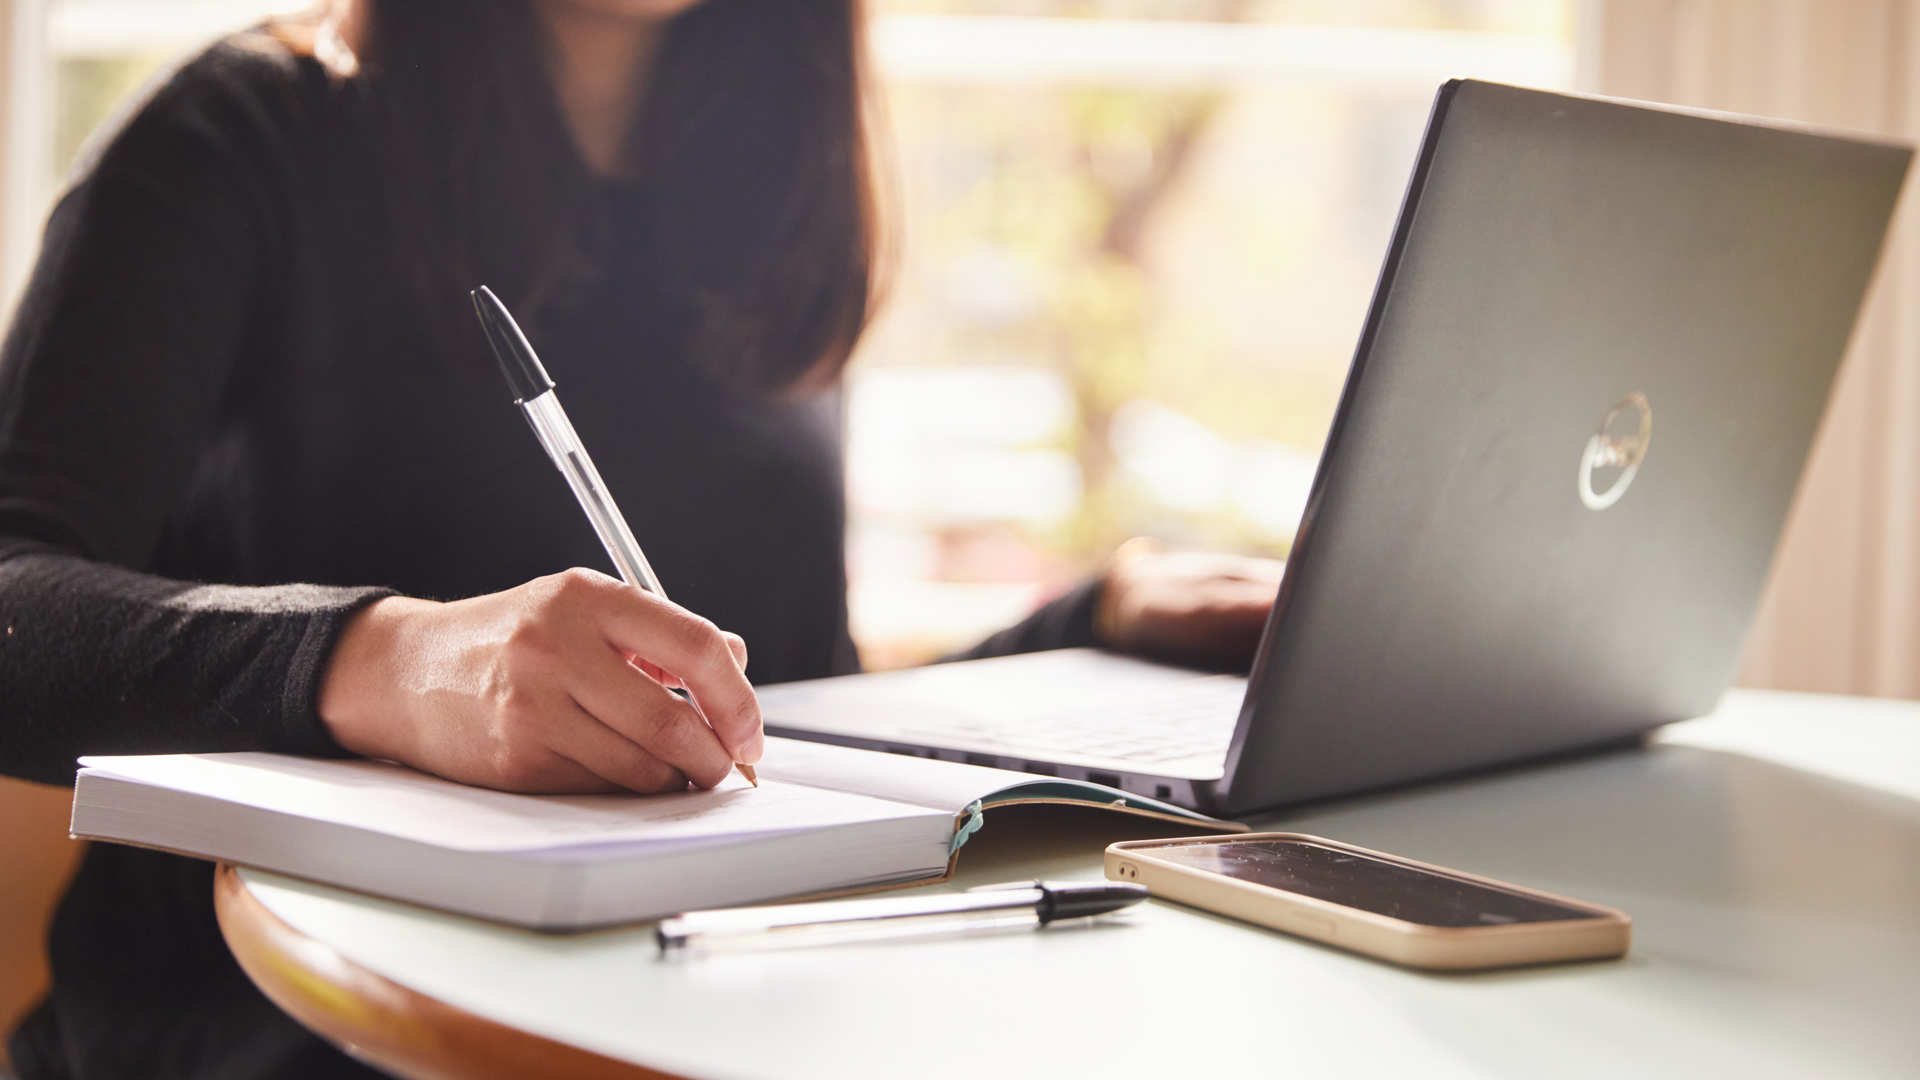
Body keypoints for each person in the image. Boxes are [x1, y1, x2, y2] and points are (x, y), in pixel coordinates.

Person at [0, 0, 1282, 1075]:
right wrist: (389, 663)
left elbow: (759, 699)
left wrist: (1088, 623)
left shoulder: (761, 192)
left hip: (714, 1013)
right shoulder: (232, 140)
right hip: (287, 1035)